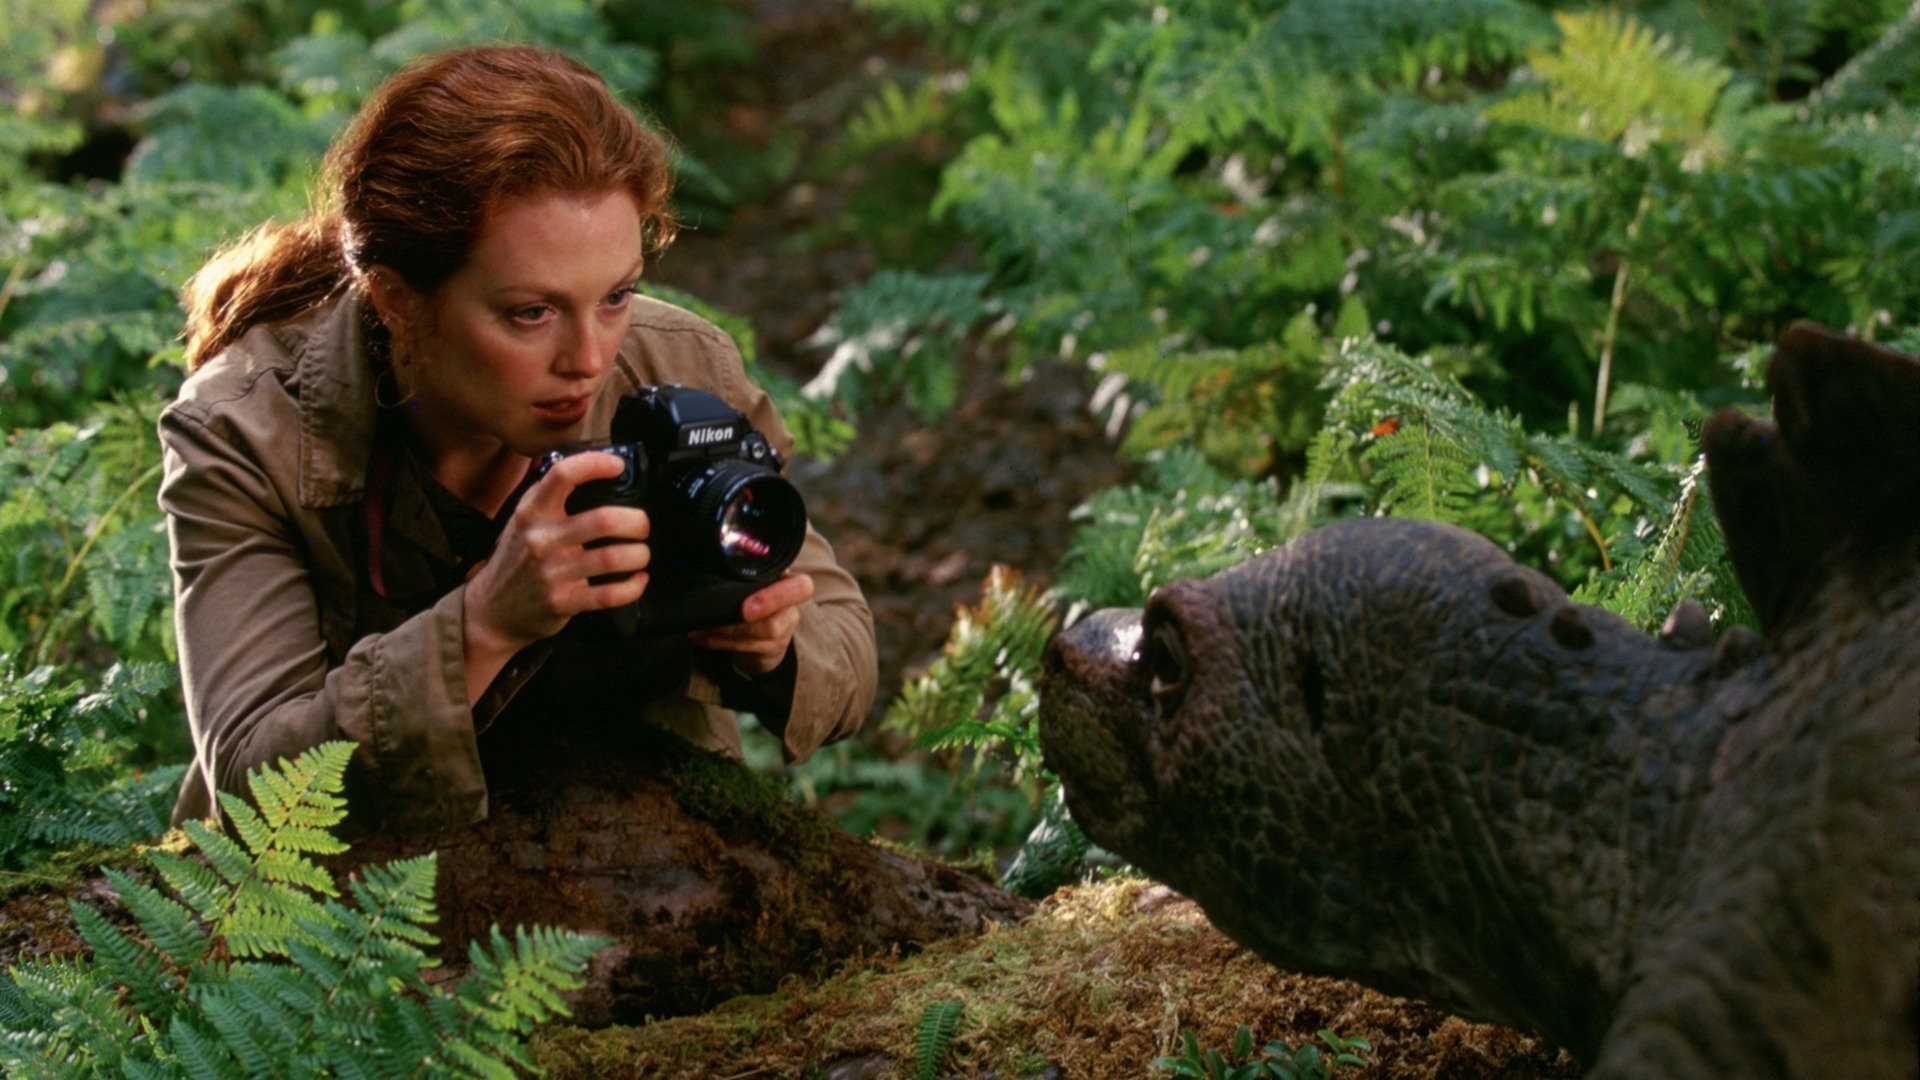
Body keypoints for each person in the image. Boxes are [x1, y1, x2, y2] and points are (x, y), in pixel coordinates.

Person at [162, 44, 877, 832]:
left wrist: (773, 645)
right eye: (530, 314)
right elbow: (252, 787)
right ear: (397, 301)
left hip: (652, 861)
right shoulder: (247, 430)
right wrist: (485, 624)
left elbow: (843, 641)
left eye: (616, 296)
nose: (589, 358)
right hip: (344, 916)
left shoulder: (675, 367)